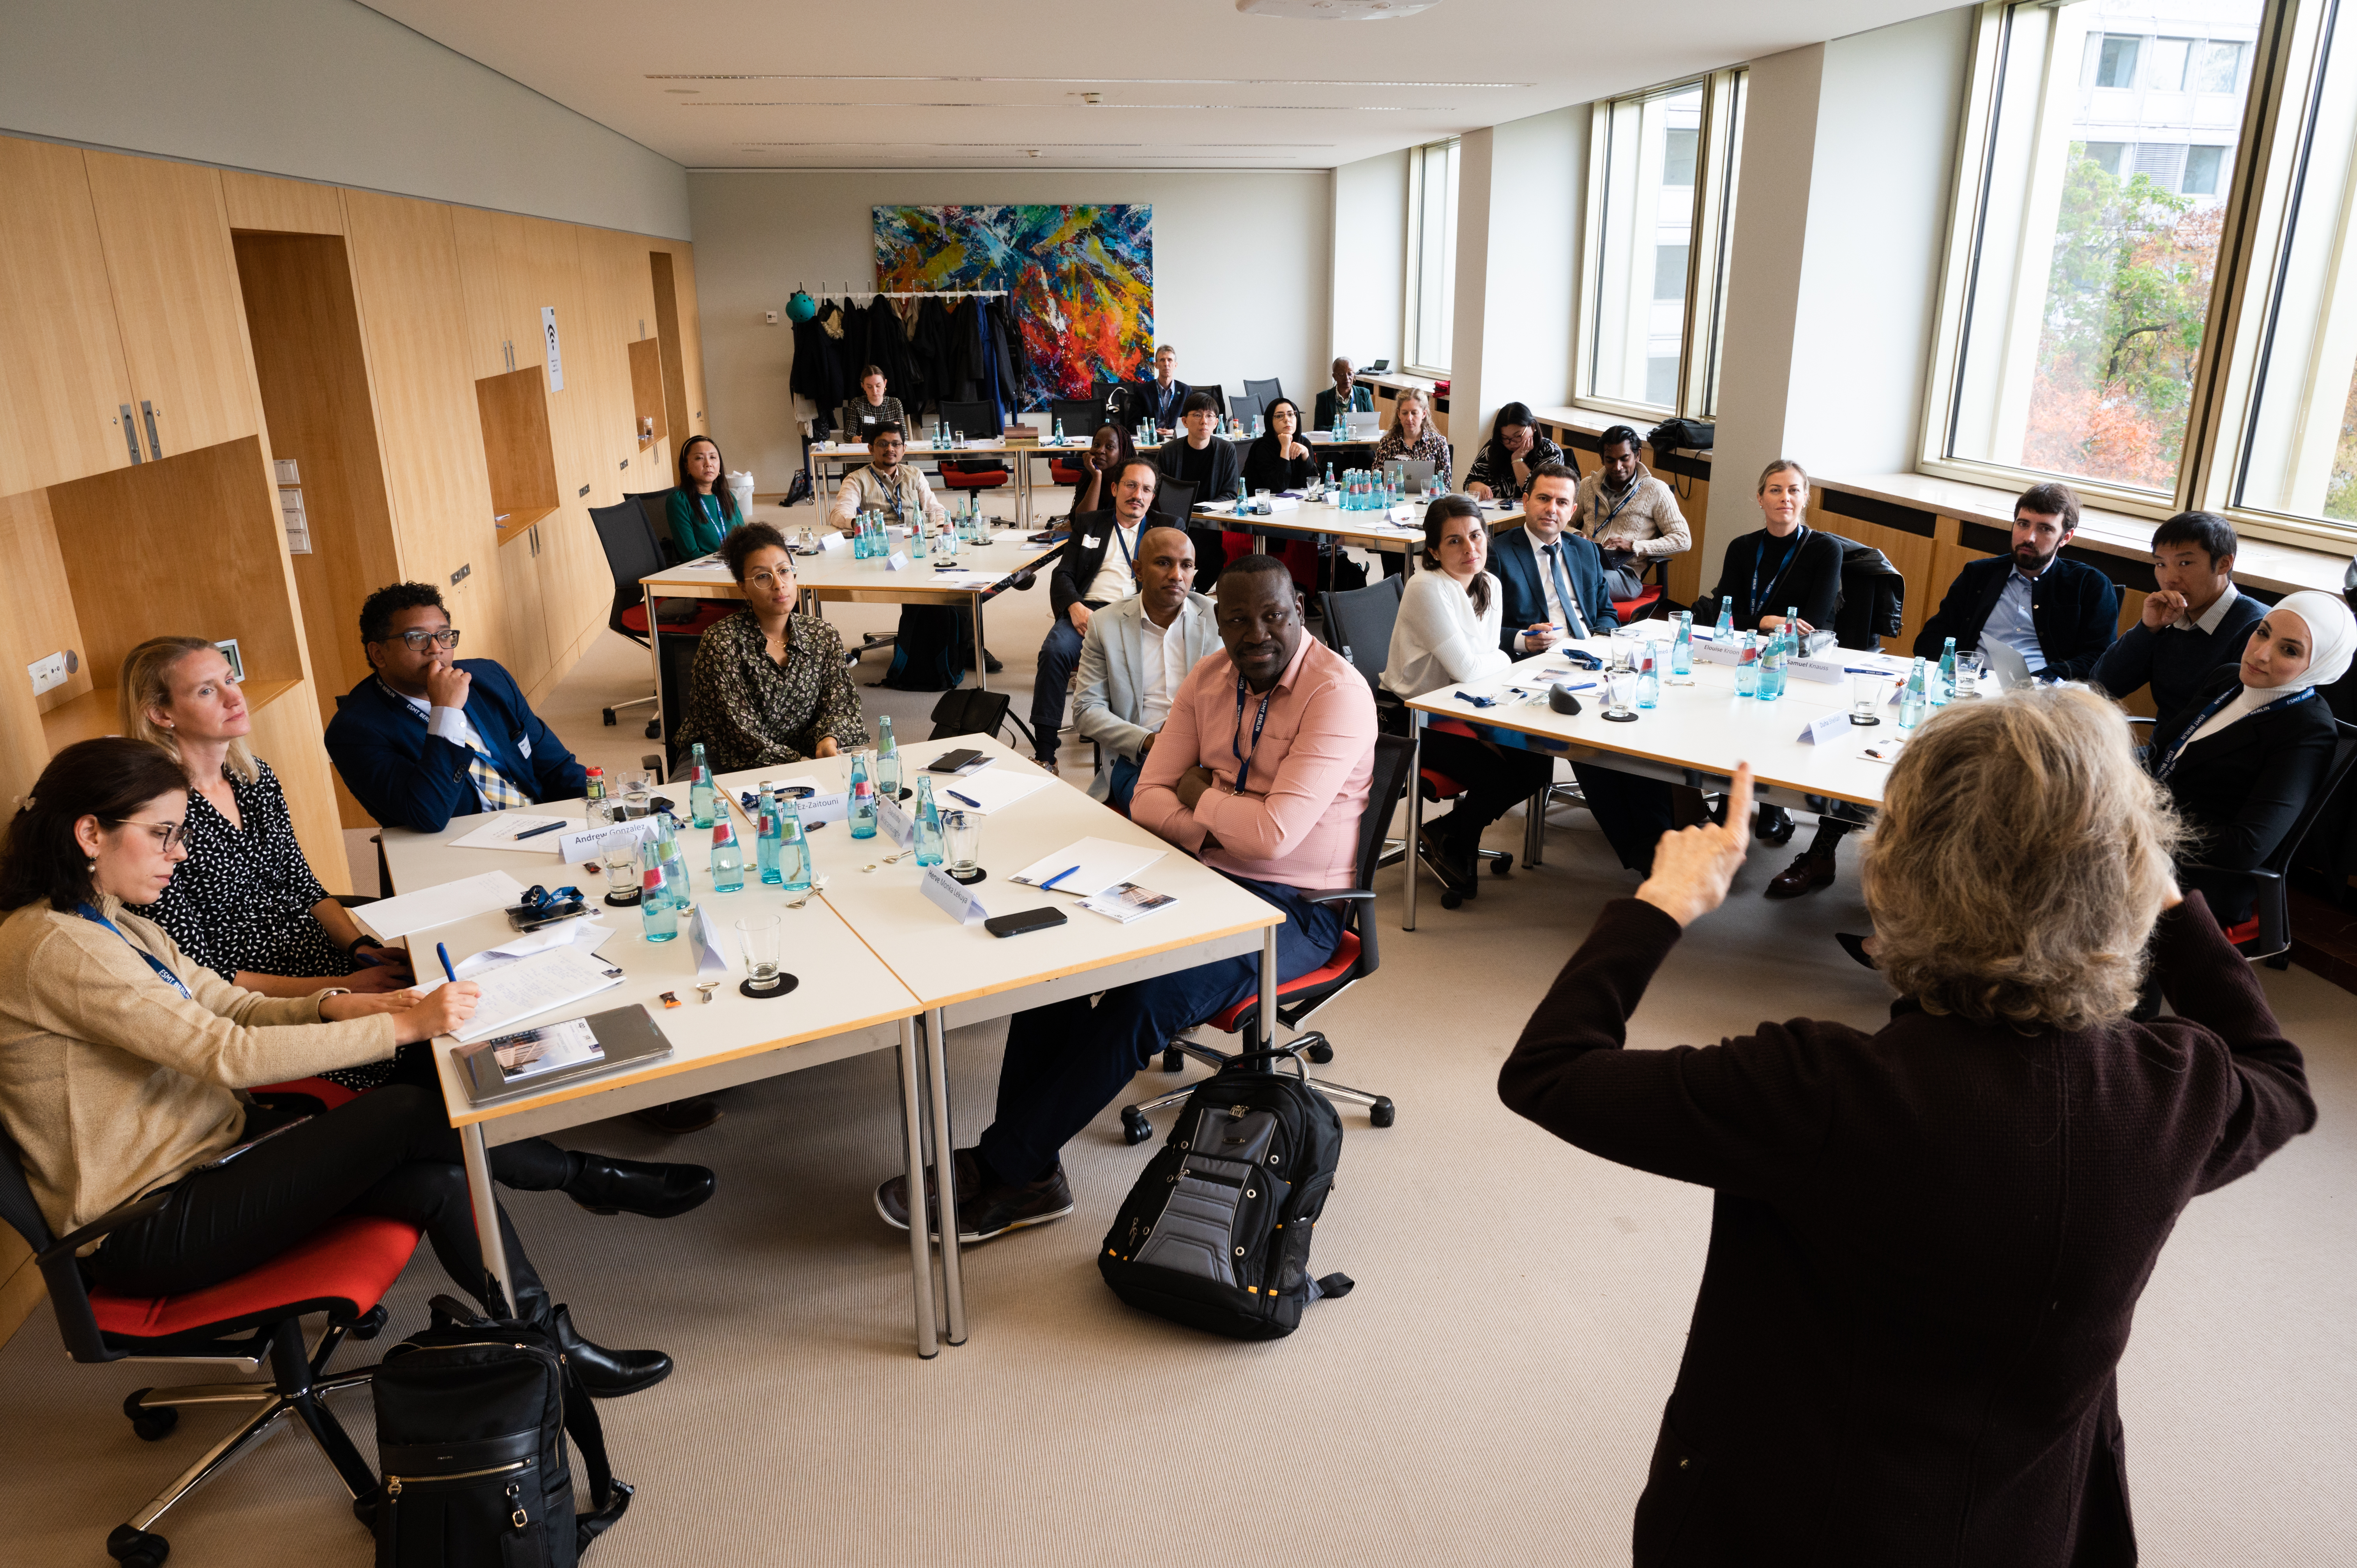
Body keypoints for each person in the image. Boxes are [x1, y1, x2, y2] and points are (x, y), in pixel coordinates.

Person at [1498, 692, 2313, 1566]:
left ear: (1897, 870)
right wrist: (2176, 911)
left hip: (1791, 1525)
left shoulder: (1822, 1090)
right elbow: (2281, 1076)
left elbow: (1550, 1070)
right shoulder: (2174, 1094)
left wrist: (1662, 902)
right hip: (2031, 1526)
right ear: (2122, 876)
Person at [0, 739, 717, 1398]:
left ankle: (547, 1345)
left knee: (438, 1176)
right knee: (408, 1106)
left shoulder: (109, 916)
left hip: (219, 1157)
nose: (180, 853)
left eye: (180, 832)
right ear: (90, 832)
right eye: (162, 833)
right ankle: (586, 1188)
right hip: (148, 1220)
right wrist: (399, 1024)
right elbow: (223, 1050)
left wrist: (335, 1004)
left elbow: (223, 1002)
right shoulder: (54, 946)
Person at [874, 555, 1376, 1243]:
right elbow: (1145, 798)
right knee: (1052, 963)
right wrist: (1220, 815)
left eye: (1273, 614)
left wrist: (1201, 793)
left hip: (1293, 908)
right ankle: (1031, 1173)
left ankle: (1003, 1165)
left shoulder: (1335, 693)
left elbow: (1271, 837)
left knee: (1146, 999)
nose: (1255, 632)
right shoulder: (1210, 677)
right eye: (1235, 618)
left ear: (1300, 609)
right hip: (1191, 872)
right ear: (1216, 619)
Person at [2146, 590, 2353, 923]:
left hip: (2199, 874)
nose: (2261, 654)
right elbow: (2169, 752)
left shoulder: (2307, 729)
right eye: (2263, 632)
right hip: (2146, 838)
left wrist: (2145, 826)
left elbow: (2247, 846)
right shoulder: (2229, 679)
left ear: (2319, 665)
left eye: (2289, 650)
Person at [1383, 495, 1555, 895]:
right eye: (1454, 542)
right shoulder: (1425, 586)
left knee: (1538, 763)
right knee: (1496, 774)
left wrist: (1488, 662)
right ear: (1433, 550)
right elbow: (1470, 670)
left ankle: (1450, 831)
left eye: (1476, 536)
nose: (1470, 549)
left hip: (1466, 707)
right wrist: (1497, 659)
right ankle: (1459, 839)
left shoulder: (1490, 585)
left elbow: (1479, 673)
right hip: (1414, 716)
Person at [326, 583, 587, 835]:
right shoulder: (355, 732)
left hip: (540, 824)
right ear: (379, 654)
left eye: (444, 636)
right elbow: (428, 815)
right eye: (417, 638)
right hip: (459, 849)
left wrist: (601, 807)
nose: (436, 649)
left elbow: (556, 767)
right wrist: (445, 713)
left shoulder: (490, 679)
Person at [675, 521, 868, 773]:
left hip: (802, 758)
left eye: (784, 571)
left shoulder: (822, 635)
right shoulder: (722, 643)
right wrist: (802, 766)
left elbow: (841, 707)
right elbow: (740, 735)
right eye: (763, 576)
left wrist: (828, 741)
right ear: (743, 588)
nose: (779, 584)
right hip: (722, 760)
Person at [1072, 526, 1220, 810]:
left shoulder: (1217, 618)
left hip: (1209, 756)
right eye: (1164, 563)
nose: (1177, 575)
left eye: (1186, 566)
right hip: (1139, 758)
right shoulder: (1106, 624)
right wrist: (1150, 741)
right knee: (1172, 815)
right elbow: (1086, 709)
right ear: (1138, 570)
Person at [1914, 480, 2120, 681]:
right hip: (1971, 685)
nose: (2029, 538)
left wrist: (2037, 682)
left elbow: (2098, 658)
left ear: (2066, 537)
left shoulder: (2090, 584)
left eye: (2045, 529)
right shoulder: (1979, 574)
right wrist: (1957, 671)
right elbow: (1932, 637)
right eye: (2023, 524)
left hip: (2044, 694)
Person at [1033, 458, 1161, 768]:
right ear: (1115, 489)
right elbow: (1062, 575)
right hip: (1087, 612)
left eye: (1146, 489)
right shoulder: (1090, 523)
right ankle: (1046, 755)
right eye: (1131, 486)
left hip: (1136, 616)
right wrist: (1075, 607)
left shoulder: (1166, 528)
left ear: (1153, 497)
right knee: (1054, 652)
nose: (1138, 495)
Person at [2093, 510, 2265, 730]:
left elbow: (2232, 724)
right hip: (2162, 754)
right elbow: (2102, 687)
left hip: (2209, 759)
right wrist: (2147, 629)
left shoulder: (2258, 630)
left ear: (2224, 564)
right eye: (2161, 564)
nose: (2170, 579)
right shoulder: (2167, 619)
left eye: (2185, 563)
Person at [1488, 463, 1615, 656]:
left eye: (1562, 502)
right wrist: (1523, 640)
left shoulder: (1587, 551)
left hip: (1591, 653)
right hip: (1535, 660)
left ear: (1572, 511)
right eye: (1544, 498)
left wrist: (1599, 643)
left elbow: (1607, 613)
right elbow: (1480, 627)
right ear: (1526, 501)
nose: (1551, 509)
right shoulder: (1497, 553)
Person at [1574, 425, 1690, 600]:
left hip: (1624, 574)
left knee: (1583, 582)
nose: (1617, 467)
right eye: (1610, 460)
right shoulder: (1587, 486)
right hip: (1584, 563)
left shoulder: (1657, 490)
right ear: (1602, 459)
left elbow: (1683, 539)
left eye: (1624, 459)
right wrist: (1576, 533)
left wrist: (1635, 546)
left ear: (1638, 455)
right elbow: (1561, 523)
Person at [1156, 391, 1241, 592]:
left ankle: (1197, 592)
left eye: (1210, 416)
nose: (1204, 421)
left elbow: (1230, 494)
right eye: (1197, 415)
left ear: (1216, 423)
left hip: (1210, 523)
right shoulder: (1168, 452)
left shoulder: (1227, 450)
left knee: (1209, 551)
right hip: (1176, 522)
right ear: (1185, 421)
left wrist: (1199, 511)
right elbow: (1159, 492)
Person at [827, 423, 945, 537]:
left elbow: (935, 509)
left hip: (916, 540)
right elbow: (838, 514)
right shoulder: (856, 480)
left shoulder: (916, 474)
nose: (890, 449)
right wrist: (856, 523)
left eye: (896, 444)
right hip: (879, 542)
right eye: (883, 444)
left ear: (904, 449)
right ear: (871, 449)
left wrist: (941, 528)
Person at [1463, 402, 1565, 504]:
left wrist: (1517, 460)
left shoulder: (1551, 452)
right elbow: (1469, 482)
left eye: (1518, 436)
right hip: (1495, 513)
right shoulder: (1494, 447)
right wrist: (1478, 486)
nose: (1512, 443)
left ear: (1533, 427)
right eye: (1506, 438)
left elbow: (1540, 493)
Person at [664, 433, 740, 559]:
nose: (708, 464)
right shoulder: (679, 501)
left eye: (713, 457)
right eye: (699, 458)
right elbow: (691, 555)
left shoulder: (728, 497)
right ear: (686, 466)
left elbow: (746, 539)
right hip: (706, 571)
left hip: (734, 566)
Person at [1373, 387, 1452, 493]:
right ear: (1399, 414)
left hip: (1427, 503)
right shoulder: (1387, 443)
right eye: (1405, 413)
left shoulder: (1439, 443)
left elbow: (1446, 486)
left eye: (1414, 413)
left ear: (1424, 414)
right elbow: (1375, 481)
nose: (1409, 418)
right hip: (1394, 501)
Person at [1064, 421, 1138, 520]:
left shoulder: (1130, 481)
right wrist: (1097, 477)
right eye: (1096, 445)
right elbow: (1081, 521)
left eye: (1110, 447)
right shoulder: (1090, 472)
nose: (1100, 450)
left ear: (1122, 451)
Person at [1241, 396, 1315, 494]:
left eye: (1291, 414)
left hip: (1299, 503)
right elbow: (1278, 487)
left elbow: (1313, 485)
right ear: (1270, 422)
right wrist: (1285, 448)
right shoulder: (1262, 448)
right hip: (1265, 505)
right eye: (1280, 416)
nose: (1287, 419)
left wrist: (1306, 455)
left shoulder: (1304, 444)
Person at [835, 364, 905, 445]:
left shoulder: (895, 404)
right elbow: (847, 435)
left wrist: (899, 431)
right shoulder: (857, 403)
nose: (875, 391)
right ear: (863, 386)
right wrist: (856, 439)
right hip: (865, 448)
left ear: (885, 383)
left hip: (889, 448)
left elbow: (905, 435)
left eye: (878, 386)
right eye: (869, 387)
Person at [1130, 343, 1190, 433]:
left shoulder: (1186, 391)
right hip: (1151, 441)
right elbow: (1133, 424)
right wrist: (1151, 432)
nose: (1166, 364)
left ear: (1175, 365)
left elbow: (1191, 422)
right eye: (1162, 360)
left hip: (1176, 440)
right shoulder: (1142, 391)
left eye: (1170, 360)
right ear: (1156, 365)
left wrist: (1174, 432)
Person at [1311, 356, 1373, 431]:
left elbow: (1372, 425)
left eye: (1350, 374)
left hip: (1358, 441)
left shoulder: (1364, 394)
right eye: (1342, 375)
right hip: (1333, 442)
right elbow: (1318, 429)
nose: (1347, 378)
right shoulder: (1323, 397)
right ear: (1334, 376)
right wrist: (1338, 427)